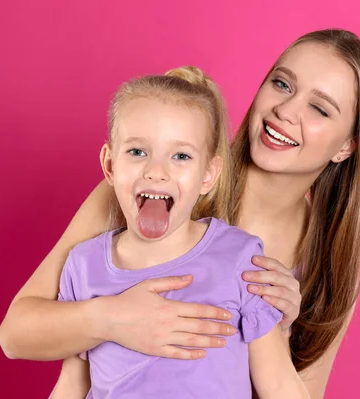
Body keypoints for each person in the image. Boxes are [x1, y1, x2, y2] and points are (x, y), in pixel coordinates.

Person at [0, 29, 360, 399]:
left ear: (348, 146)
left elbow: (293, 388)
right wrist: (111, 318)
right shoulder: (147, 191)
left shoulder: (326, 265)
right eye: (281, 84)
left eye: (319, 108)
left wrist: (276, 329)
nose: (286, 110)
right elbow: (16, 335)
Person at [50, 66, 308, 398]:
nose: (157, 171)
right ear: (110, 165)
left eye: (181, 156)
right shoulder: (83, 267)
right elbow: (71, 385)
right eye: (138, 152)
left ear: (208, 175)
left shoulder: (240, 258)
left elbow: (280, 384)